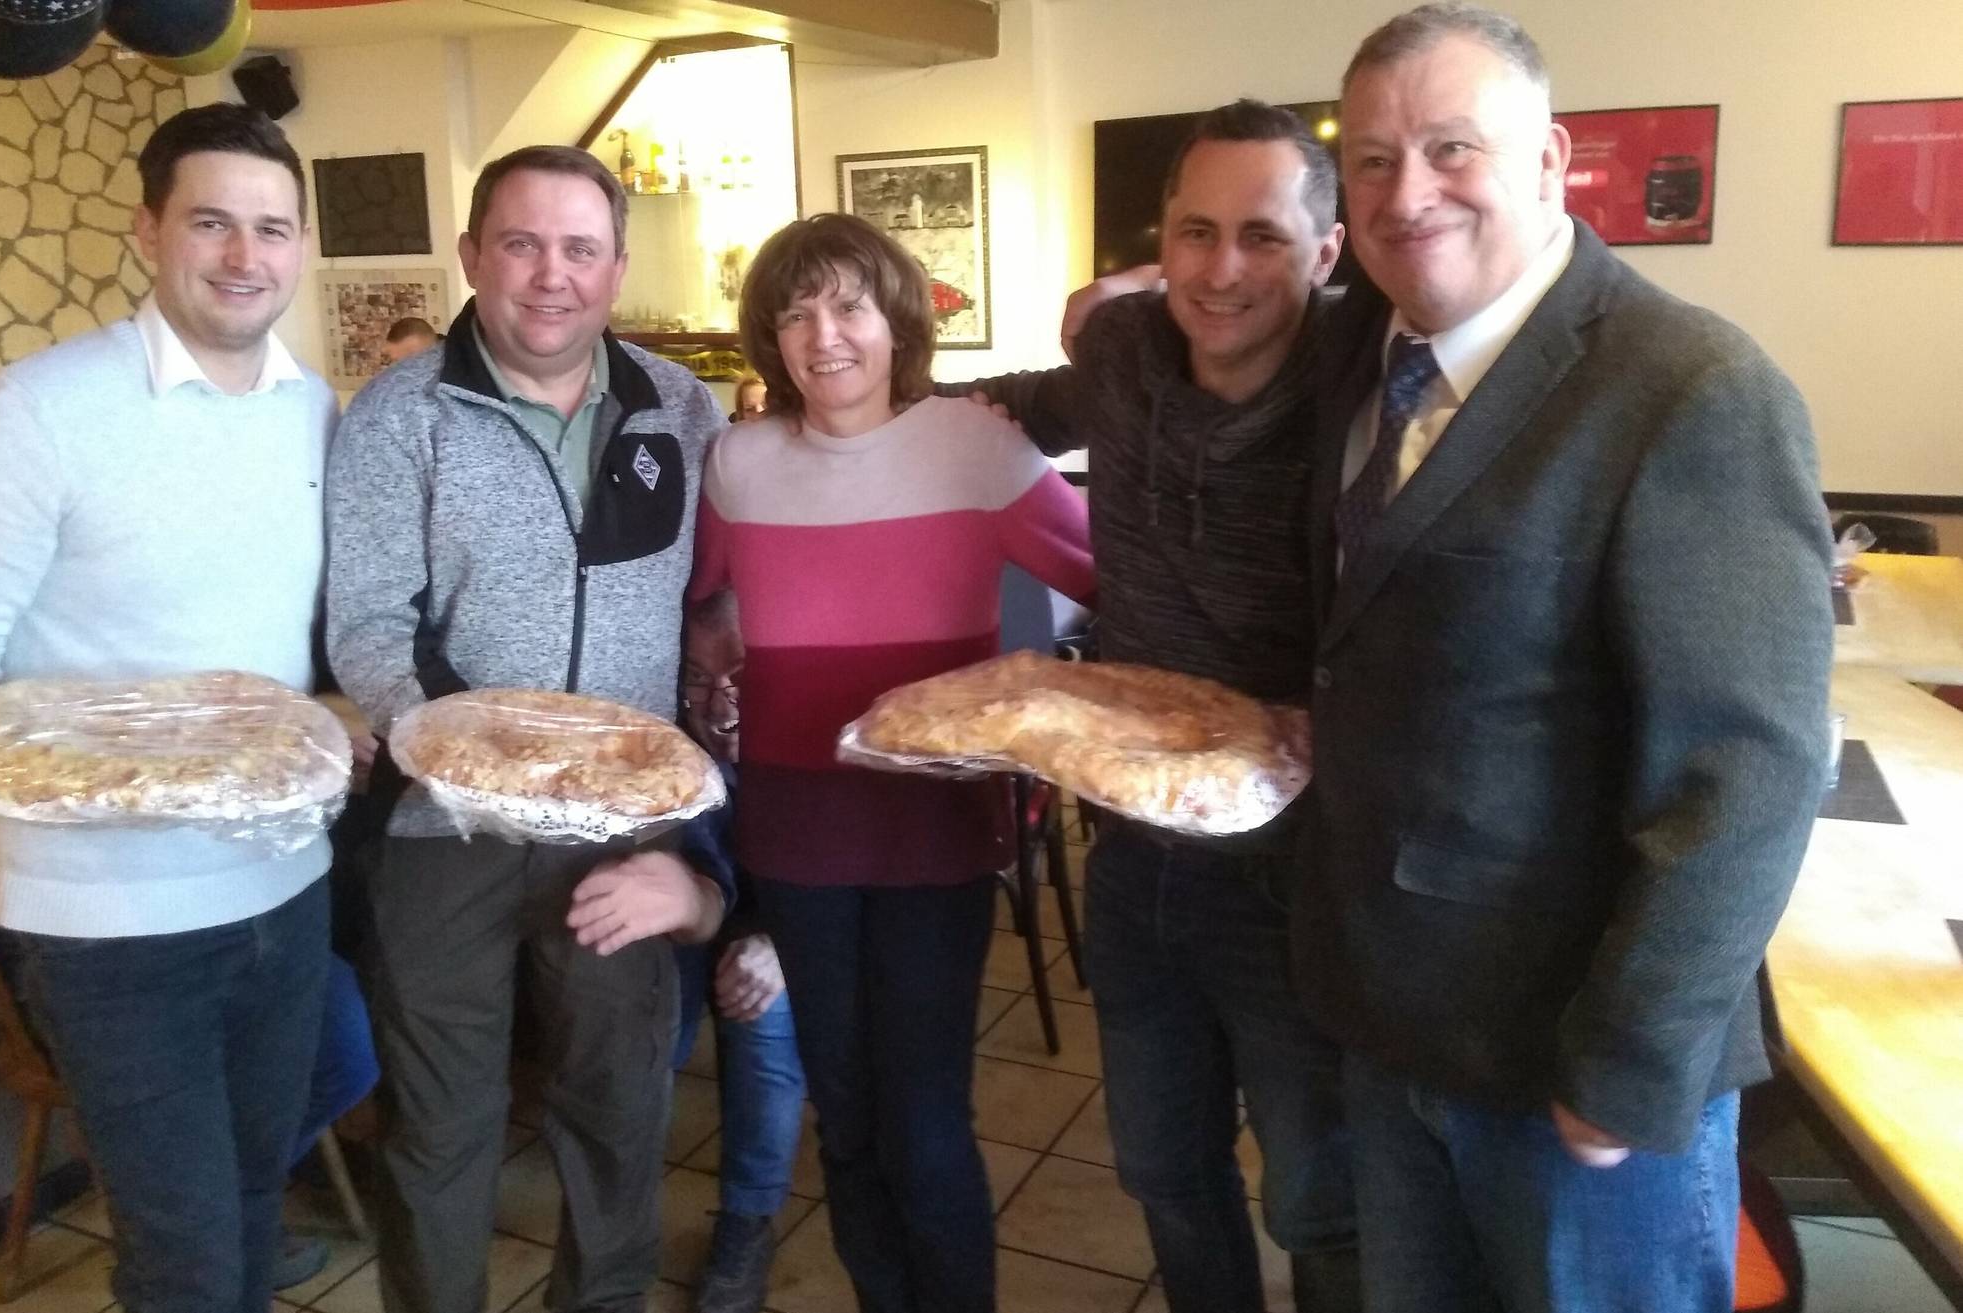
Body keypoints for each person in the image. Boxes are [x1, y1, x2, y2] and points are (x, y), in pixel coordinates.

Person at [1297, 6, 1833, 1311]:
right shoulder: (1366, 357)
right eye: (1371, 159)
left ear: (1549, 161)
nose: (1407, 194)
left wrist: (1625, 1068)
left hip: (1573, 1072)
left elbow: (1749, 777)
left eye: (1452, 147)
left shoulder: (1691, 386)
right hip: (1392, 1024)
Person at [0, 103, 343, 1313]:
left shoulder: (313, 410)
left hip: (285, 888)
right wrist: (72, 757)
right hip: (113, 923)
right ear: (149, 230)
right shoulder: (31, 416)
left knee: (255, 1196)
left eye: (272, 228)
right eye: (211, 223)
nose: (244, 255)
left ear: (301, 244)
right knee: (183, 1258)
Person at [954, 100, 1362, 1313]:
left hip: (1302, 868)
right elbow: (1008, 403)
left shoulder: (1372, 379)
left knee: (1318, 1192)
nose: (1222, 269)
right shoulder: (1125, 352)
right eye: (1196, 232)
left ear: (1328, 254)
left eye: (1262, 236)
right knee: (1165, 1168)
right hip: (1136, 857)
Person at [325, 144, 731, 1313]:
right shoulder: (400, 413)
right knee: (440, 1126)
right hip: (442, 832)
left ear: (616, 266)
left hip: (619, 832)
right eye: (522, 243)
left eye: (581, 248)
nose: (553, 275)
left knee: (618, 1112)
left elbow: (709, 590)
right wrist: (473, 760)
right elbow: (367, 622)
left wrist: (722, 645)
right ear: (472, 255)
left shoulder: (680, 405)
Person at [689, 212, 1095, 1313]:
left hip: (935, 831)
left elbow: (1108, 579)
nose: (824, 335)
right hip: (797, 835)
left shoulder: (976, 444)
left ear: (898, 319)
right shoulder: (738, 461)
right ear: (770, 338)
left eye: (849, 306)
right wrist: (714, 657)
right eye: (796, 312)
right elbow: (697, 605)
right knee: (848, 1117)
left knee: (923, 1120)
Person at [671, 589, 807, 1313]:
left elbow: (849, 869)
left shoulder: (825, 735)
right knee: (648, 992)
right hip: (697, 903)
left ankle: (747, 1221)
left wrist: (787, 943)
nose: (718, 705)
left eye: (741, 677)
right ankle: (615, 1195)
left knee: (764, 1006)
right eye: (696, 678)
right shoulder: (662, 738)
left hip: (799, 916)